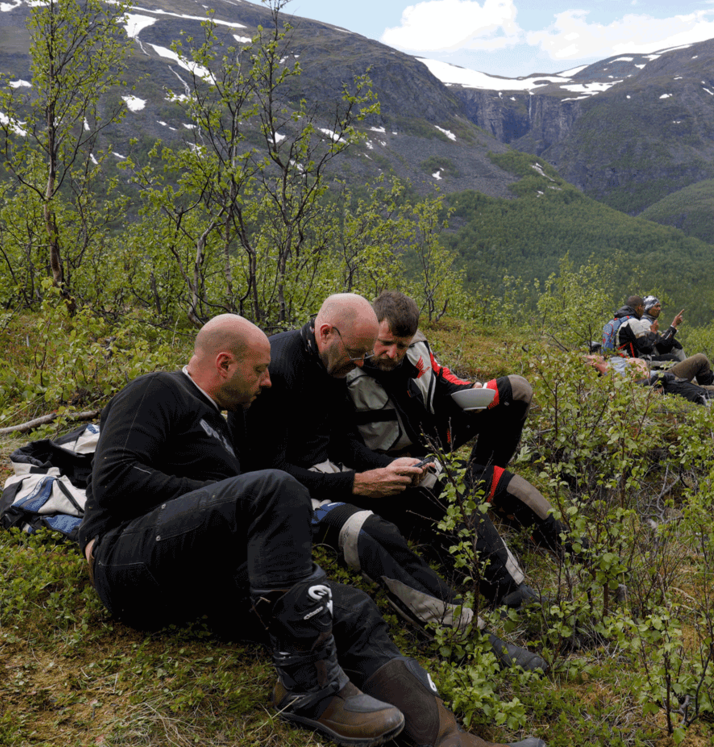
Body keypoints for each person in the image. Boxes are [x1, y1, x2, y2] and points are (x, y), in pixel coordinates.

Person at [81, 313, 543, 747]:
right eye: (260, 370)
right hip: (125, 562)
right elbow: (114, 478)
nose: (267, 380)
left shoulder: (218, 429)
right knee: (274, 486)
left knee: (349, 610)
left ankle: (449, 739)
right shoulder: (158, 391)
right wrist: (220, 496)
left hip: (200, 576)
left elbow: (232, 505)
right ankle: (307, 687)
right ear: (224, 363)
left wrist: (230, 504)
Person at [231, 296, 542, 643]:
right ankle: (472, 637)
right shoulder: (275, 371)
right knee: (371, 533)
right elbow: (268, 473)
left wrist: (390, 466)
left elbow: (342, 441)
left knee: (438, 484)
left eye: (366, 352)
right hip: (291, 494)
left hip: (332, 473)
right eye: (357, 353)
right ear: (326, 332)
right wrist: (357, 484)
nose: (363, 362)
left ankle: (515, 592)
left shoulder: (336, 363)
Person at [347, 291, 569, 554]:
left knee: (517, 390)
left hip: (433, 436)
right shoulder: (347, 369)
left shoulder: (418, 348)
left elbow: (442, 379)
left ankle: (479, 474)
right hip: (399, 464)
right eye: (385, 343)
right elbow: (342, 444)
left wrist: (474, 390)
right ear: (372, 328)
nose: (393, 353)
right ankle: (573, 550)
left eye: (402, 346)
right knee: (505, 484)